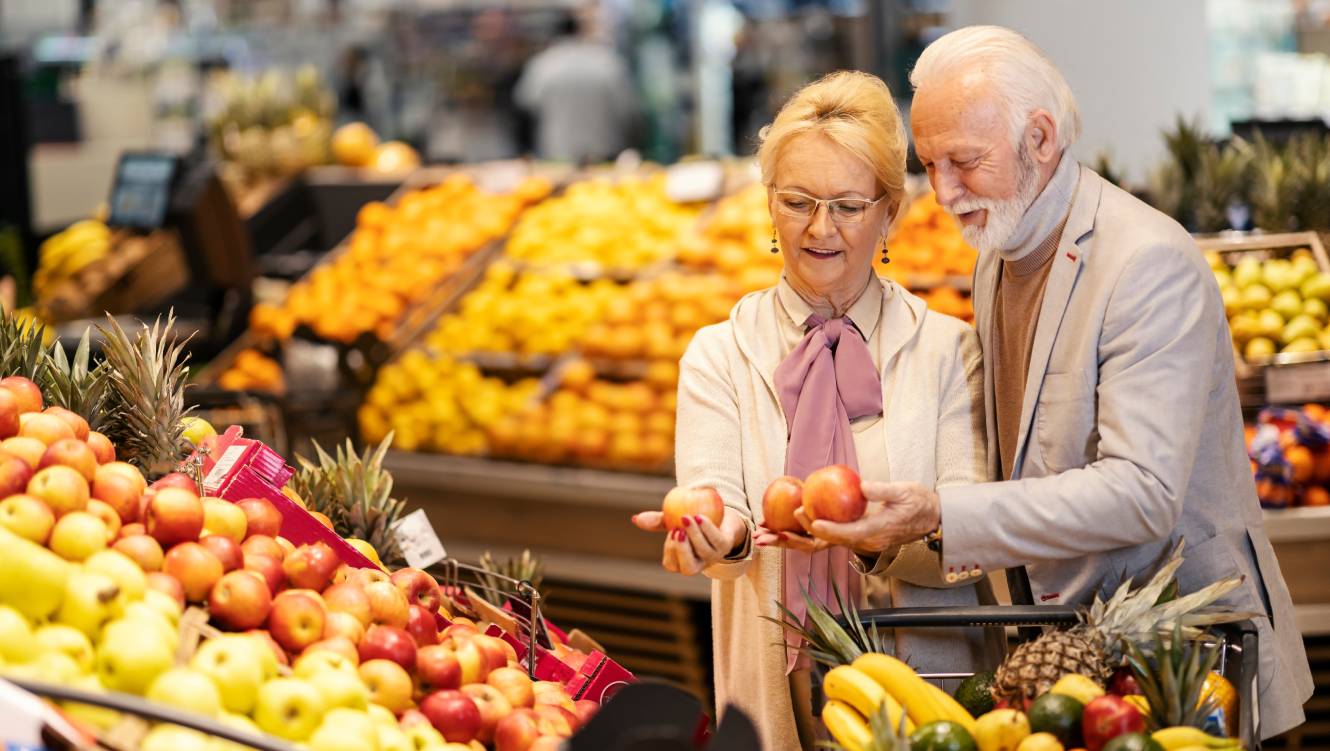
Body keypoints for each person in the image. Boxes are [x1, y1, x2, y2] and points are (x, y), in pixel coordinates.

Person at [800, 27, 1313, 738]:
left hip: (1190, 673)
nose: (944, 193)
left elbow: (1142, 492)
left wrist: (941, 510)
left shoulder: (1146, 264)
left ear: (1040, 138)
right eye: (929, 165)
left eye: (965, 162)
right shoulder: (998, 253)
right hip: (1074, 668)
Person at [632, 71, 1001, 750]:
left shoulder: (950, 350)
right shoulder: (720, 354)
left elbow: (972, 533)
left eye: (848, 206)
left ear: (891, 212)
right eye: (798, 201)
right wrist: (715, 536)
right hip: (778, 686)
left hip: (933, 687)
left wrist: (877, 536)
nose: (820, 228)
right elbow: (722, 505)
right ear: (769, 205)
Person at [513, 12, 638, 163]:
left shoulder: (543, 65)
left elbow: (524, 104)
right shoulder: (607, 61)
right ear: (580, 30)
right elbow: (628, 110)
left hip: (557, 154)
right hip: (604, 153)